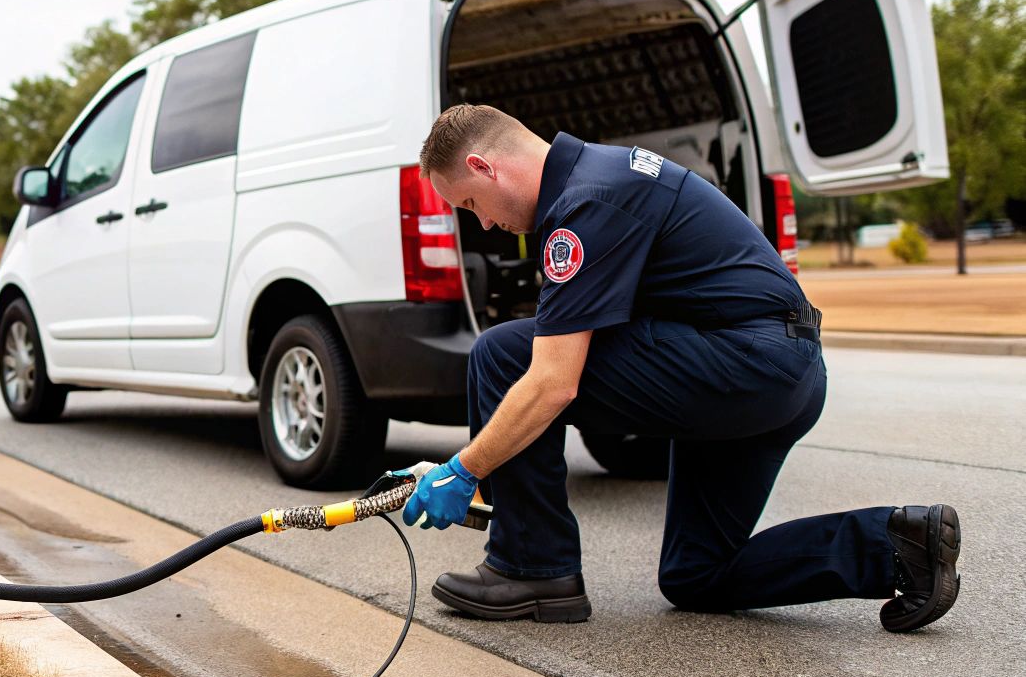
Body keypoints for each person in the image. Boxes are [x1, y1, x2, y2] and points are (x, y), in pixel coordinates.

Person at [390, 105, 960, 632]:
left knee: (504, 354)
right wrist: (477, 464)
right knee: (696, 576)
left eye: (471, 204)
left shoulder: (586, 203)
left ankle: (531, 568)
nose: (485, 225)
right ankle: (895, 544)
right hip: (777, 371)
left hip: (746, 364)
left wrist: (463, 469)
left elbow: (553, 383)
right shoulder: (602, 175)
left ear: (483, 167)